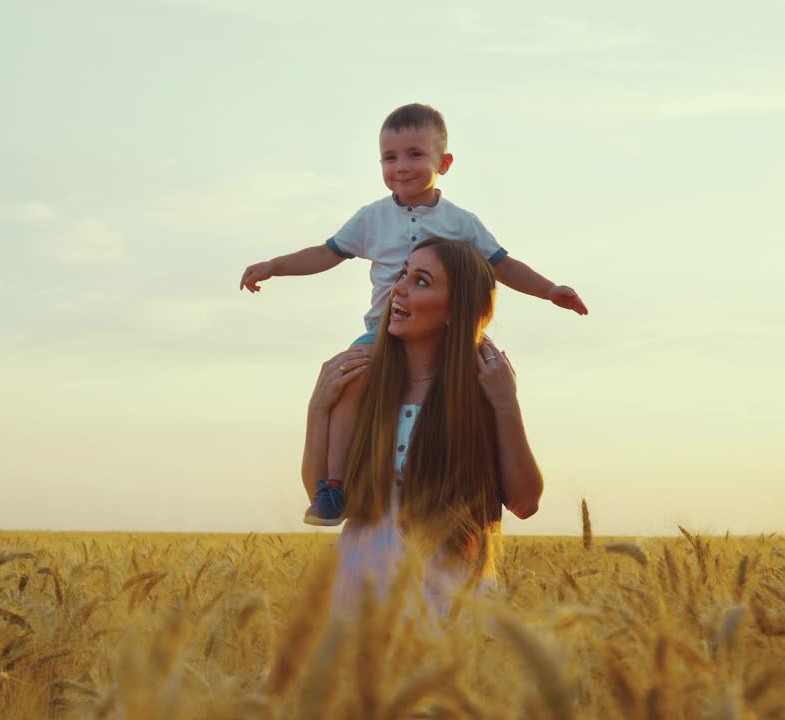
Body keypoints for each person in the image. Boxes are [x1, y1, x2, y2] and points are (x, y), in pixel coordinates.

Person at [241, 103, 580, 526]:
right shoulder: (372, 218)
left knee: (482, 382)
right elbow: (325, 254)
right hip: (381, 332)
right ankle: (334, 484)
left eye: (415, 154)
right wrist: (276, 266)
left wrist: (550, 290)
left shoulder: (461, 223)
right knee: (350, 378)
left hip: (450, 335)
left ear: (445, 163)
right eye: (390, 157)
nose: (401, 167)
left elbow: (502, 264)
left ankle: (475, 490)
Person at [301, 237, 544, 617]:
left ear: (455, 310)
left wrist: (505, 405)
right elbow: (324, 494)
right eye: (402, 274)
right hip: (362, 591)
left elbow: (525, 502)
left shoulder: (480, 393)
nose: (398, 288)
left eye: (421, 281)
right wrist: (318, 408)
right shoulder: (366, 386)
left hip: (451, 597)